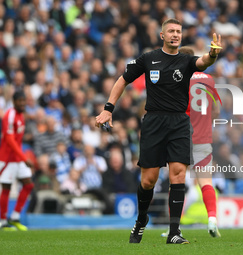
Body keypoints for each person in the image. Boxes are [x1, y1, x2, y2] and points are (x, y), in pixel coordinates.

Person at [95, 18, 222, 244]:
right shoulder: (148, 59)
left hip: (180, 123)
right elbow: (122, 80)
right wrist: (108, 109)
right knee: (148, 181)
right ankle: (142, 219)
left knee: (178, 175)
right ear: (162, 35)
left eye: (179, 32)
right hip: (154, 122)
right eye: (171, 31)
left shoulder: (186, 60)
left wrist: (212, 54)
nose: (175, 34)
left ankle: (174, 231)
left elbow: (203, 62)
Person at [173, 46, 221, 237]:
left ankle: (174, 227)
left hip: (180, 137)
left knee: (176, 183)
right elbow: (216, 111)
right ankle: (212, 219)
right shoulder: (208, 80)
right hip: (202, 138)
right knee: (206, 182)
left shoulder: (176, 79)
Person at [0, 91, 34, 231]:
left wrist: (21, 157)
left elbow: (18, 141)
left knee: (28, 185)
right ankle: (2, 222)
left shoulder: (21, 116)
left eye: (23, 100)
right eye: (19, 101)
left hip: (18, 158)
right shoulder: (10, 115)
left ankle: (14, 217)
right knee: (6, 188)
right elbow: (9, 139)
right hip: (7, 159)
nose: (22, 103)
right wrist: (24, 157)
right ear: (14, 102)